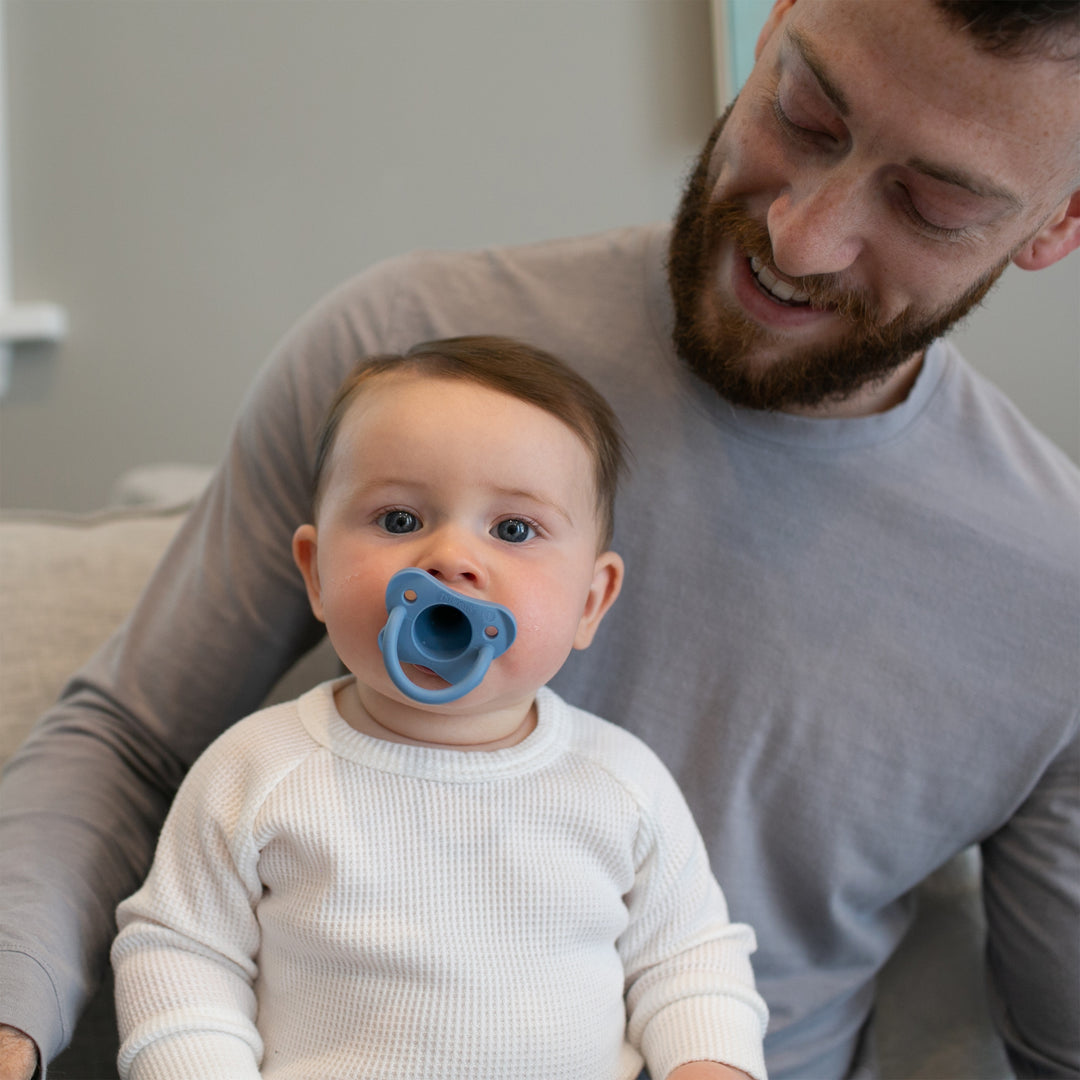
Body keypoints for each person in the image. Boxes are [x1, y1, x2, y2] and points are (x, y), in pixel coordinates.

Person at [1, 0, 1078, 1076]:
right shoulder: (405, 352)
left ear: (1059, 220)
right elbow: (131, 750)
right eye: (804, 113)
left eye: (931, 206)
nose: (802, 233)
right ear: (779, 15)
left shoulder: (1054, 590)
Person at [108, 336, 769, 1080]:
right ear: (316, 573)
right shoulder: (255, 771)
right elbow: (181, 954)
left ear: (591, 601)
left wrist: (710, 1063)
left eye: (513, 530)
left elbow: (688, 960)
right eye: (398, 520)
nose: (451, 558)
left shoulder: (621, 784)